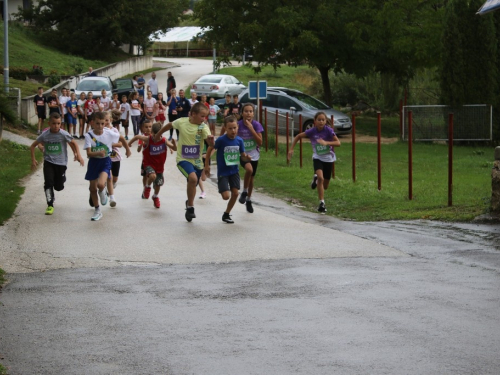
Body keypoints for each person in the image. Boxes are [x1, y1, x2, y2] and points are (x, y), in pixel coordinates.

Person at [155, 102, 211, 221]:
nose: (204, 119)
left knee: (192, 184)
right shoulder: (181, 121)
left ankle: (189, 202)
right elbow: (169, 125)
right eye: (202, 116)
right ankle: (191, 207)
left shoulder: (203, 127)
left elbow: (210, 143)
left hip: (198, 162)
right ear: (193, 114)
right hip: (183, 159)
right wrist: (158, 135)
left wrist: (211, 142)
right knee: (193, 179)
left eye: (205, 116)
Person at [30, 113, 85, 215]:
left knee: (58, 187)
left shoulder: (63, 134)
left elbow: (74, 143)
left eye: (58, 123)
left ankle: (61, 180)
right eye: (54, 123)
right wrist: (33, 160)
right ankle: (50, 204)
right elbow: (33, 145)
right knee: (48, 183)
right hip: (48, 162)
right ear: (49, 123)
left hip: (61, 163)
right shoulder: (45, 135)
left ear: (61, 124)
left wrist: (78, 155)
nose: (56, 126)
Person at [287, 111, 341, 214]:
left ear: (325, 121)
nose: (321, 122)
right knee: (321, 177)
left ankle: (316, 180)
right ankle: (322, 203)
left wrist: (327, 143)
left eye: (323, 120)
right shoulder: (312, 131)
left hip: (328, 159)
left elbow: (338, 143)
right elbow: (298, 136)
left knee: (325, 186)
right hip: (317, 157)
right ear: (315, 121)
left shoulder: (329, 131)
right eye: (319, 120)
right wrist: (291, 149)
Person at [205, 116, 250, 223]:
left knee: (235, 193)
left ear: (237, 127)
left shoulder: (239, 141)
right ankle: (223, 187)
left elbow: (242, 155)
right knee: (226, 196)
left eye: (234, 128)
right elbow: (210, 148)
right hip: (223, 172)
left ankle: (226, 214)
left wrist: (246, 158)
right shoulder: (221, 140)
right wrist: (207, 164)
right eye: (230, 128)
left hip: (234, 171)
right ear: (225, 128)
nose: (233, 131)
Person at [220, 103, 263, 213]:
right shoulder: (237, 124)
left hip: (254, 154)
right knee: (249, 169)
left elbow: (260, 142)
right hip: (241, 153)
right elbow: (226, 130)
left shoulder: (256, 125)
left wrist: (251, 128)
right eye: (246, 111)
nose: (248, 113)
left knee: (251, 178)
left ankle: (248, 199)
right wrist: (221, 139)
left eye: (250, 111)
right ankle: (243, 191)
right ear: (242, 113)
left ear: (253, 114)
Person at [84, 111, 122, 221]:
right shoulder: (89, 136)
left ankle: (103, 192)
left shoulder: (109, 133)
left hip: (105, 161)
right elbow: (89, 154)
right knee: (92, 188)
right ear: (92, 123)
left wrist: (127, 149)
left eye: (102, 123)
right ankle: (97, 210)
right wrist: (98, 153)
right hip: (93, 162)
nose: (100, 126)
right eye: (97, 123)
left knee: (101, 184)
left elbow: (120, 138)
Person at [128, 122, 176, 208]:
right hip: (148, 164)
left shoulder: (164, 140)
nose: (156, 137)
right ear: (152, 133)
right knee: (152, 176)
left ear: (161, 133)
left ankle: (155, 196)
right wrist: (128, 145)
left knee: (158, 185)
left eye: (158, 135)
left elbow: (174, 148)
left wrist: (174, 145)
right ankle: (147, 187)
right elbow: (136, 137)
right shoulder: (148, 139)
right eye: (154, 135)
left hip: (159, 166)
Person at [103, 111, 132, 207]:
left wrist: (111, 144)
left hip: (115, 157)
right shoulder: (100, 131)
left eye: (107, 120)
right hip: (105, 157)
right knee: (109, 176)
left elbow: (120, 143)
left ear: (111, 120)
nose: (105, 122)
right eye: (104, 120)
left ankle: (111, 185)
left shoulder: (114, 130)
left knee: (114, 178)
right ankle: (110, 195)